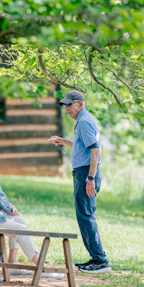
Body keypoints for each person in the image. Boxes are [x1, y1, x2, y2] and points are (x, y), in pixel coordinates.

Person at [0, 136, 64, 279]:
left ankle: (12, 263)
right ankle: (42, 268)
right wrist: (10, 209)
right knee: (22, 230)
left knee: (19, 220)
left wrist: (10, 211)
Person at [49, 90, 111, 274]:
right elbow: (81, 146)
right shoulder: (84, 120)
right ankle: (96, 258)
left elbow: (95, 151)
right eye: (65, 105)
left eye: (69, 104)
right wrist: (62, 141)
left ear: (80, 104)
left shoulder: (83, 121)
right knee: (85, 216)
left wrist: (90, 178)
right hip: (84, 172)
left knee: (86, 217)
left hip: (86, 173)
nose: (66, 108)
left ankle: (100, 261)